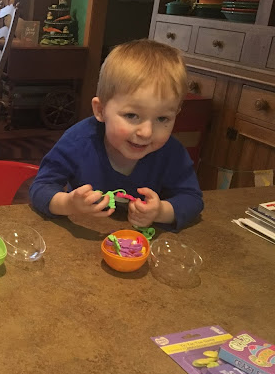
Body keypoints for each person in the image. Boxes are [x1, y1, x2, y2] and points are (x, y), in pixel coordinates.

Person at [29, 39, 203, 231]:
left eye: (162, 118)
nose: (146, 132)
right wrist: (69, 204)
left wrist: (160, 211)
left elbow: (192, 199)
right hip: (84, 235)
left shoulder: (171, 152)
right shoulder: (77, 141)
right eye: (131, 115)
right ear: (101, 110)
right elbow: (40, 188)